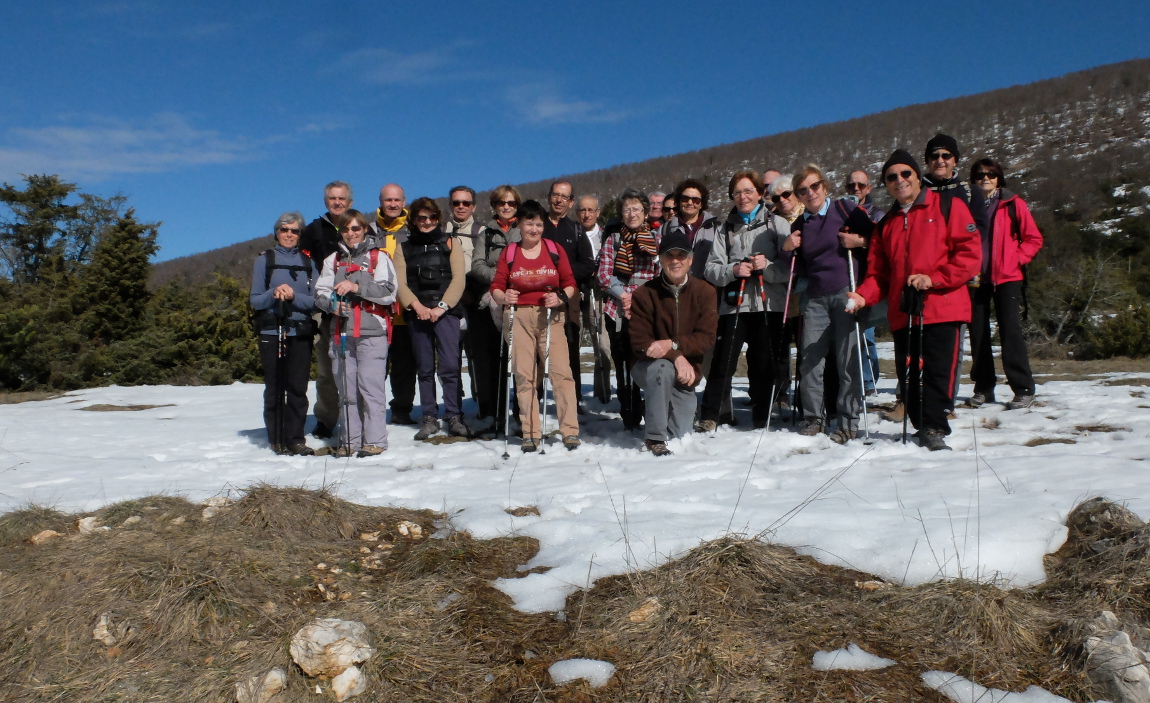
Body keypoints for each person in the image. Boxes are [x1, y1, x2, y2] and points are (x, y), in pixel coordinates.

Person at [848, 149, 981, 451]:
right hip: (904, 311)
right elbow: (879, 275)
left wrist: (933, 278)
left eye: (905, 173)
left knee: (937, 373)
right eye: (891, 177)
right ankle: (921, 426)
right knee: (909, 377)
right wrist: (862, 296)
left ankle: (934, 428)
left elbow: (970, 255)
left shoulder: (949, 206)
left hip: (943, 307)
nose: (899, 180)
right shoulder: (886, 224)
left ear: (917, 176)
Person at [780, 164, 875, 443]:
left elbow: (877, 238)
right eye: (803, 190)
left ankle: (847, 421)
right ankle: (813, 418)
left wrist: (858, 241)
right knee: (810, 359)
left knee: (847, 359)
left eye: (814, 186)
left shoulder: (845, 209)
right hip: (814, 297)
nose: (810, 193)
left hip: (846, 291)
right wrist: (787, 250)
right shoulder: (800, 225)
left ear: (824, 185)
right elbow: (795, 265)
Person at [698, 171, 791, 431]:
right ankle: (710, 415)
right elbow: (711, 269)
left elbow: (791, 271)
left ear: (760, 193)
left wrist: (767, 266)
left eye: (748, 190)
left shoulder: (777, 225)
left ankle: (762, 417)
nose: (743, 197)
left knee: (763, 363)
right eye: (737, 192)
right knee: (722, 362)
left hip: (767, 304)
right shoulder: (724, 228)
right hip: (734, 306)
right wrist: (733, 270)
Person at [489, 200, 580, 452]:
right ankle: (530, 432)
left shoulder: (554, 249)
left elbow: (570, 281)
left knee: (561, 373)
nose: (534, 229)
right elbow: (496, 286)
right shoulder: (510, 253)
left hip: (550, 317)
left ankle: (570, 431)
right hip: (519, 317)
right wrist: (503, 297)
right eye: (529, 223)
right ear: (519, 224)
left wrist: (561, 296)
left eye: (539, 224)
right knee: (524, 375)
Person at [315, 209, 398, 457]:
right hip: (342, 332)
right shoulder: (332, 260)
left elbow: (390, 291)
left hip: (372, 331)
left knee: (370, 389)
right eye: (345, 229)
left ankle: (375, 441)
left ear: (364, 229)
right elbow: (320, 292)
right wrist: (332, 305)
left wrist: (356, 286)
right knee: (346, 389)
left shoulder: (378, 258)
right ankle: (349, 441)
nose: (351, 233)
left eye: (356, 228)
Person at [629, 230, 718, 456]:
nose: (675, 260)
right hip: (649, 367)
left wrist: (672, 345)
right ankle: (654, 438)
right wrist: (676, 355)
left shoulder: (705, 292)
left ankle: (652, 407)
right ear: (661, 259)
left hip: (686, 374)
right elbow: (641, 342)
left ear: (690, 260)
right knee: (663, 368)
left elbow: (706, 338)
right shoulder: (644, 294)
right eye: (670, 256)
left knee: (680, 434)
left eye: (681, 255)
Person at [966, 158, 1043, 410]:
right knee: (978, 334)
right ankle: (984, 389)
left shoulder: (1012, 203)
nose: (985, 178)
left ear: (999, 178)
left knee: (1010, 332)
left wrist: (1016, 260)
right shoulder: (968, 206)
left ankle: (1023, 389)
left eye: (990, 174)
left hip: (1008, 278)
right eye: (979, 175)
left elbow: (1033, 238)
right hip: (976, 279)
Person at [393, 197, 469, 440]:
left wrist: (442, 307)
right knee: (424, 368)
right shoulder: (403, 246)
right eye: (421, 218)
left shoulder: (450, 242)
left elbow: (458, 278)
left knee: (449, 366)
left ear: (438, 219)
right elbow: (400, 282)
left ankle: (454, 415)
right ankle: (428, 417)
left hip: (446, 312)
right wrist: (416, 306)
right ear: (414, 220)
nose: (426, 222)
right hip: (418, 313)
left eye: (431, 218)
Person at [250, 212, 318, 456]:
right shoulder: (264, 261)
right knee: (275, 386)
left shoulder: (308, 263)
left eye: (295, 231)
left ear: (300, 235)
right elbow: (256, 301)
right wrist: (273, 293)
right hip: (271, 330)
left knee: (298, 388)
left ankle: (295, 438)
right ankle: (276, 437)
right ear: (276, 232)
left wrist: (293, 297)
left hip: (299, 332)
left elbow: (317, 301)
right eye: (284, 230)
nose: (289, 234)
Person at [597, 189, 661, 430]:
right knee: (622, 361)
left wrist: (640, 296)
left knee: (648, 359)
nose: (631, 213)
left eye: (636, 209)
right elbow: (603, 274)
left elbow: (662, 273)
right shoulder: (613, 240)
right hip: (617, 307)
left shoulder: (656, 240)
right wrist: (623, 294)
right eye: (626, 209)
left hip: (649, 307)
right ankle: (630, 414)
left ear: (645, 213)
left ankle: (653, 411)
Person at [299, 181, 352, 439]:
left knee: (356, 367)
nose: (337, 202)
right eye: (332, 198)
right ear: (325, 202)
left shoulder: (358, 226)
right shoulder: (313, 230)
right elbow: (301, 263)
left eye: (342, 198)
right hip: (324, 308)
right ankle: (326, 420)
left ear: (350, 202)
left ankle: (359, 418)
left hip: (357, 307)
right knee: (326, 369)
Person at [470, 185, 523, 431]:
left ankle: (522, 412)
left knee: (520, 359)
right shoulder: (486, 234)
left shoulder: (523, 230)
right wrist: (499, 277)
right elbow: (477, 264)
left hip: (520, 300)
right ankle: (493, 411)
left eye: (511, 203)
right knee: (491, 358)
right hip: (491, 299)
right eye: (501, 203)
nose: (506, 207)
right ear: (494, 206)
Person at [543, 180, 596, 412]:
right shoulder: (537, 224)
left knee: (570, 347)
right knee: (537, 350)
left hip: (568, 295)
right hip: (538, 294)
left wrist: (564, 276)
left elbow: (588, 264)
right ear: (549, 197)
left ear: (571, 201)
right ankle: (533, 400)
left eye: (564, 197)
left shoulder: (575, 229)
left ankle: (573, 400)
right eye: (555, 195)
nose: (559, 200)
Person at [371, 184, 418, 425]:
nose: (392, 204)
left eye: (397, 200)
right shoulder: (368, 231)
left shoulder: (413, 230)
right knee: (375, 366)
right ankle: (373, 411)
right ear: (380, 201)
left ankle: (402, 409)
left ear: (404, 201)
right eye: (388, 200)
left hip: (405, 310)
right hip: (375, 311)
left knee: (404, 366)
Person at [844, 171, 886, 396]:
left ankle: (869, 382)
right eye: (851, 186)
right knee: (851, 335)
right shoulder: (842, 212)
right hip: (849, 280)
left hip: (869, 281)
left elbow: (884, 243)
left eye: (860, 185)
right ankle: (854, 380)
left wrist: (861, 242)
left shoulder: (877, 214)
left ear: (869, 188)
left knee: (867, 335)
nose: (856, 189)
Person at [447, 185, 486, 424]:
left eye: (465, 203)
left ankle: (481, 402)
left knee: (477, 356)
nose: (461, 206)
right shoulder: (442, 230)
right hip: (449, 303)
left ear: (473, 206)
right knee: (451, 359)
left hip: (475, 300)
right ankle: (454, 408)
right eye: (456, 202)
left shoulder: (482, 231)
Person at [577, 194, 612, 405]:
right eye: (582, 210)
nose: (587, 214)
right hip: (575, 294)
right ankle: (574, 395)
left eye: (591, 210)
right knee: (573, 346)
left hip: (598, 295)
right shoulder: (572, 233)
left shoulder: (605, 236)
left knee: (602, 344)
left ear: (598, 212)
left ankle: (602, 393)